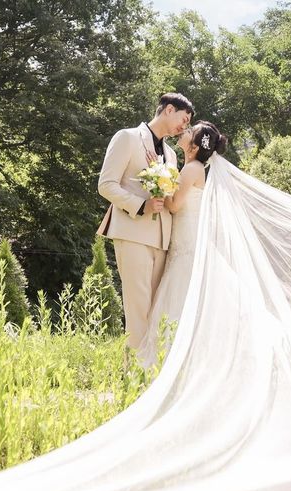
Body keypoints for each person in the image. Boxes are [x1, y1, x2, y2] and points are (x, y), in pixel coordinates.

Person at [96, 93, 194, 349]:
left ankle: (150, 377)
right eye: (183, 120)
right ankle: (133, 379)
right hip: (133, 234)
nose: (183, 127)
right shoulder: (126, 138)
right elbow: (106, 185)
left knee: (157, 313)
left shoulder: (171, 155)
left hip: (163, 241)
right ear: (169, 109)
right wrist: (141, 205)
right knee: (138, 312)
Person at [137, 120, 227, 361]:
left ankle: (170, 360)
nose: (184, 132)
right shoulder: (193, 167)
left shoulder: (192, 169)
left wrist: (159, 184)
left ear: (194, 146)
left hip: (187, 243)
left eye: (190, 131)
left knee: (178, 298)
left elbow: (175, 205)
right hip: (184, 239)